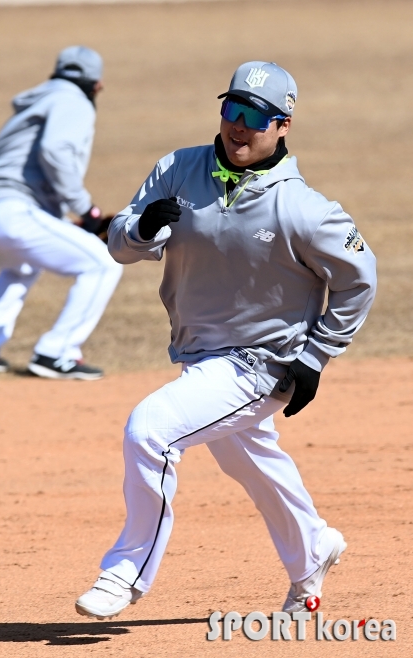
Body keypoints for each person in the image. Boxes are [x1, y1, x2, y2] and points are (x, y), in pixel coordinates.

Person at [75, 61, 377, 617]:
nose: (239, 126)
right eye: (232, 109)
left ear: (283, 125)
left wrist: (315, 357)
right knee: (249, 458)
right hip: (201, 357)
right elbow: (122, 242)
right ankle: (313, 549)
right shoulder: (178, 168)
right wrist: (138, 230)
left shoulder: (304, 210)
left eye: (255, 117)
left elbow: (360, 279)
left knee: (151, 432)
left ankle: (125, 572)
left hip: (263, 363)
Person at [0, 46, 123, 380]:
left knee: (22, 265)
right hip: (9, 212)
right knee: (102, 264)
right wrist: (86, 210)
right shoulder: (73, 99)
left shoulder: (39, 100)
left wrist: (62, 218)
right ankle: (56, 352)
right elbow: (55, 150)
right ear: (97, 85)